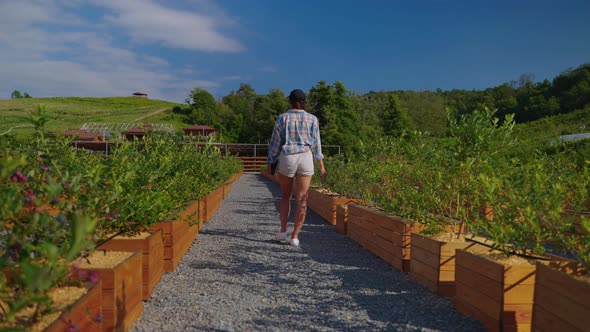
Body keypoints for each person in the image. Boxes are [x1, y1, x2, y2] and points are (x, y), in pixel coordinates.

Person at [266, 89, 326, 247]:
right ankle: (295, 236)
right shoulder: (312, 119)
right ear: (304, 102)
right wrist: (321, 164)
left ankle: (283, 231)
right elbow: (317, 144)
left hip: (288, 158)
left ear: (290, 101)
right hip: (305, 157)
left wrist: (271, 162)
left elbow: (275, 144)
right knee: (302, 199)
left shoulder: (282, 118)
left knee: (286, 197)